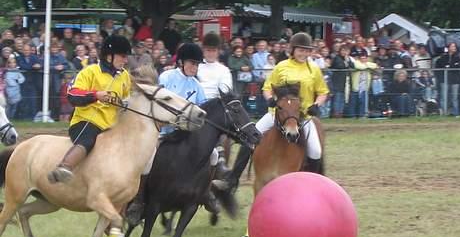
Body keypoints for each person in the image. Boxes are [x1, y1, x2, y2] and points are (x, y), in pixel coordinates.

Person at [217, 32, 329, 194]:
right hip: (278, 113)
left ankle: (315, 188)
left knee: (316, 151)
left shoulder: (314, 70)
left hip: (303, 116)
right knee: (249, 138)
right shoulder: (281, 66)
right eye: (300, 50)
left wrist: (317, 104)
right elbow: (267, 87)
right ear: (293, 50)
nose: (303, 53)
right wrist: (270, 99)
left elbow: (322, 91)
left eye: (307, 50)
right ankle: (232, 180)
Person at [125, 43, 207, 224]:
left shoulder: (197, 85)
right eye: (192, 63)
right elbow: (156, 103)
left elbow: (201, 107)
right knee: (149, 159)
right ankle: (138, 201)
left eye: (197, 64)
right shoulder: (167, 77)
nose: (195, 67)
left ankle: (206, 193)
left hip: (184, 134)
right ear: (181, 62)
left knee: (214, 154)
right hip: (163, 131)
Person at [47, 35, 132, 184]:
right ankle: (63, 168)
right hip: (85, 121)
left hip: (111, 126)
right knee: (88, 140)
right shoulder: (90, 71)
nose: (125, 60)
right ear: (109, 56)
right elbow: (72, 94)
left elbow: (127, 100)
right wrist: (96, 95)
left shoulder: (124, 76)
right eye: (123, 56)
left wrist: (123, 103)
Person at [197, 32, 233, 176]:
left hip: (215, 106)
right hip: (196, 105)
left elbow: (224, 91)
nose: (210, 53)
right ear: (203, 50)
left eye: (213, 50)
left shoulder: (223, 70)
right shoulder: (197, 66)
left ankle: (221, 161)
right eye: (208, 50)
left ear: (218, 51)